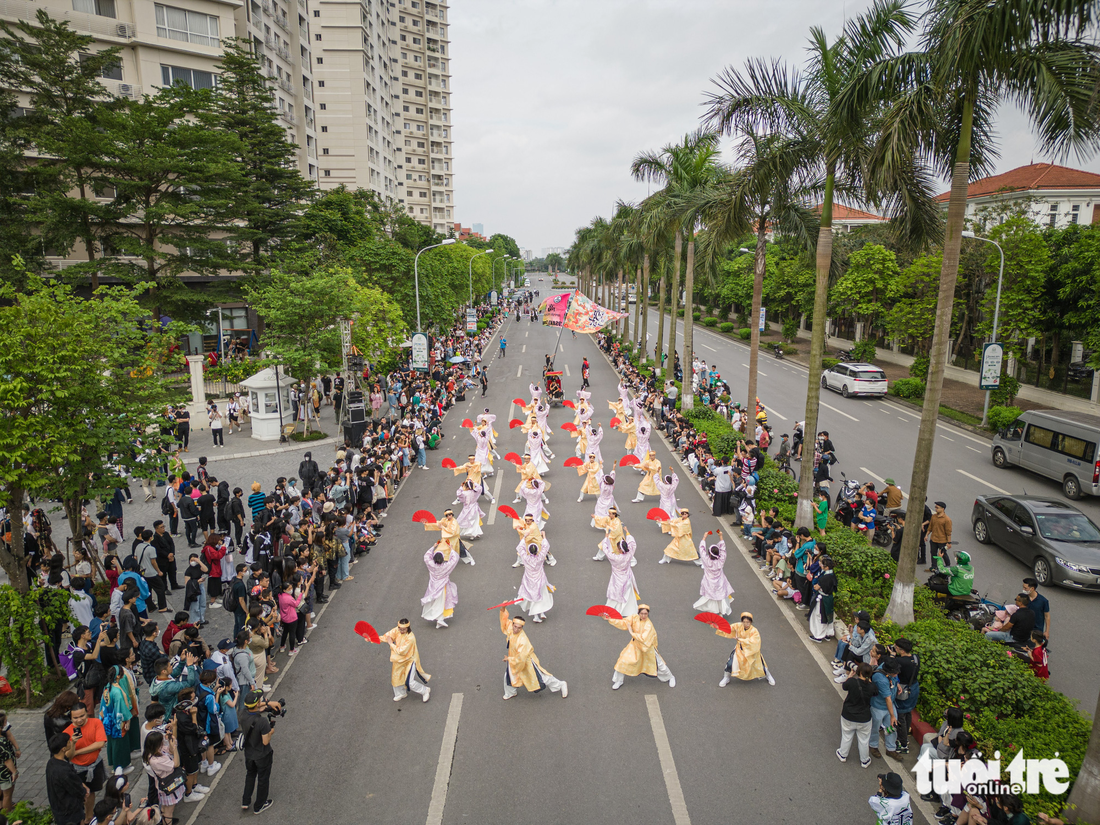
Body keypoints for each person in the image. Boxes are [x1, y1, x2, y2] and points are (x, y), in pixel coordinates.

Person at [499, 607, 567, 700]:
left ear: (522, 628)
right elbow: (505, 622)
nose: (516, 629)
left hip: (526, 661)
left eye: (519, 628)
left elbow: (521, 658)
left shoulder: (523, 640)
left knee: (541, 678)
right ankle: (510, 692)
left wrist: (509, 659)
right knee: (509, 676)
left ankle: (560, 684)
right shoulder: (511, 628)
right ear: (513, 624)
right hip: (515, 659)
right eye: (515, 626)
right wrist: (503, 609)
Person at [603, 604, 675, 690]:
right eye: (642, 613)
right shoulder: (634, 618)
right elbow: (623, 622)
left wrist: (631, 632)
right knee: (622, 661)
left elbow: (643, 638)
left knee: (659, 664)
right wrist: (610, 619)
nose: (644, 616)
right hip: (635, 645)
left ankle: (670, 677)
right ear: (638, 613)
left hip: (647, 648)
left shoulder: (649, 625)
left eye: (646, 614)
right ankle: (618, 680)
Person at [64, 704, 107, 824]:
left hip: (94, 765)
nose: (79, 720)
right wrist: (73, 743)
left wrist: (78, 751)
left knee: (91, 792)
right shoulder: (67, 733)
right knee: (78, 796)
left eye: (82, 716)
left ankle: (89, 816)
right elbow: (68, 756)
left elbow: (100, 744)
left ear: (87, 713)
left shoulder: (96, 723)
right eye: (75, 718)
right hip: (77, 769)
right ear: (71, 718)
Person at [377, 620, 432, 703]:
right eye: (400, 629)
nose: (401, 631)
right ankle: (400, 693)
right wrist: (373, 638)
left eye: (404, 629)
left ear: (408, 628)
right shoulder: (396, 630)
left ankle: (424, 691)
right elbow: (387, 636)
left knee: (409, 682)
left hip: (409, 660)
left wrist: (391, 644)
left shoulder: (410, 637)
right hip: (398, 660)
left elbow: (402, 651)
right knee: (396, 678)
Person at [715, 611, 774, 686]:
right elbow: (728, 628)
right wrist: (717, 626)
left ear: (751, 622)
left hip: (751, 652)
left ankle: (768, 675)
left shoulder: (754, 631)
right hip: (739, 650)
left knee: (760, 665)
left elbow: (754, 642)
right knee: (730, 664)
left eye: (748, 622)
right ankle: (726, 677)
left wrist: (740, 639)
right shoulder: (738, 626)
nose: (746, 624)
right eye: (744, 622)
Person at [836, 662, 876, 769]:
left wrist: (849, 676)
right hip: (864, 718)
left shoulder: (852, 682)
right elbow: (875, 692)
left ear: (858, 672)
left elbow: (844, 686)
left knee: (847, 736)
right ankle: (864, 760)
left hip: (848, 715)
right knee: (863, 740)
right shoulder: (872, 686)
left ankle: (843, 754)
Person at [46, 734, 88, 825]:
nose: (70, 742)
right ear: (63, 749)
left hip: (59, 808)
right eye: (68, 742)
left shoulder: (51, 762)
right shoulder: (64, 771)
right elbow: (76, 788)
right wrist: (84, 792)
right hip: (69, 811)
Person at [693, 534, 734, 616]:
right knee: (720, 597)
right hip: (719, 582)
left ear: (709, 553)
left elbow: (701, 550)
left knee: (711, 597)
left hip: (709, 582)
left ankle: (713, 610)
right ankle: (721, 612)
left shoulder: (706, 560)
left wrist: (704, 537)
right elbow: (723, 549)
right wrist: (721, 536)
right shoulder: (721, 560)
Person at [420, 548, 460, 629]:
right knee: (441, 603)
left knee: (435, 602)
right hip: (443, 588)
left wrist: (433, 547)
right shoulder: (445, 567)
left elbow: (426, 557)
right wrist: (451, 549)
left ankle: (438, 618)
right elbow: (455, 559)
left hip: (433, 587)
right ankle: (440, 619)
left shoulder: (431, 565)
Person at [1022, 577, 1051, 645]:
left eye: (1025, 588)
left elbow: (1047, 616)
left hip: (1036, 629)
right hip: (1024, 627)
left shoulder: (1043, 601)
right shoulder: (1023, 598)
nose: (1023, 590)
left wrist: (1047, 631)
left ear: (1032, 588)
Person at [928, 501, 953, 568]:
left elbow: (948, 532)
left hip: (942, 541)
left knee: (943, 554)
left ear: (943, 509)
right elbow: (930, 527)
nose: (936, 509)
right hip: (933, 539)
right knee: (933, 553)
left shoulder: (947, 520)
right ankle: (934, 566)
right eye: (935, 507)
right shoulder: (933, 517)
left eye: (937, 508)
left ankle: (948, 565)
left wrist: (949, 542)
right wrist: (926, 535)